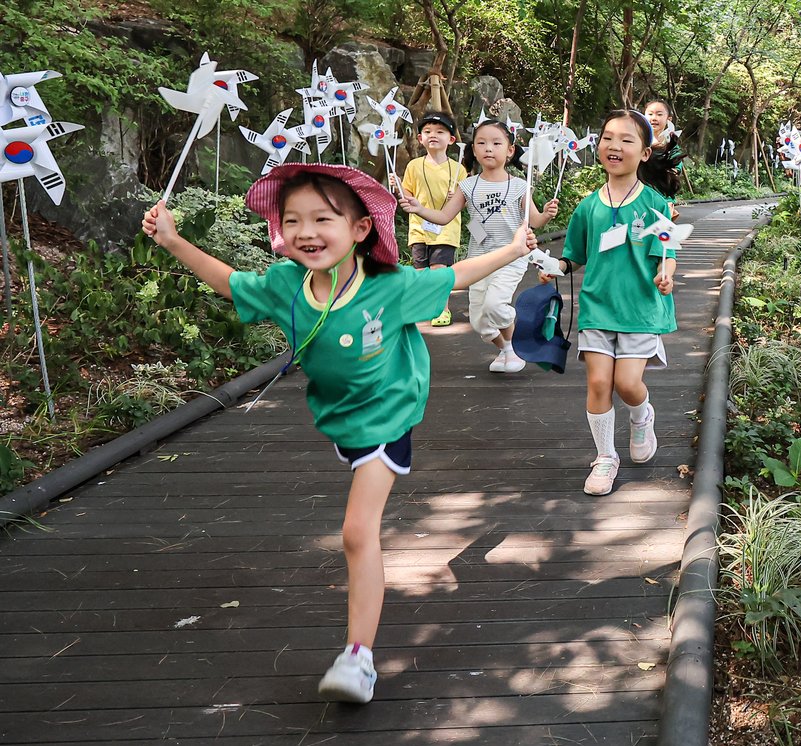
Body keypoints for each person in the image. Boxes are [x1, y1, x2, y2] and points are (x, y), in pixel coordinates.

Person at [141, 163, 536, 704]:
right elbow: (231, 285)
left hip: (390, 413)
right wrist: (172, 239)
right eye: (293, 220)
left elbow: (455, 276)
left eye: (323, 219)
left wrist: (514, 250)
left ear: (359, 229)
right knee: (358, 508)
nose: (306, 231)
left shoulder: (388, 287)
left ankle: (359, 658)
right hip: (340, 416)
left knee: (356, 531)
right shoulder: (286, 285)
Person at [539, 110, 676, 496]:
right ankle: (605, 458)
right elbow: (574, 256)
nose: (615, 146)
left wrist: (668, 276)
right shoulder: (587, 207)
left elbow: (668, 252)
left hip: (641, 309)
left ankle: (641, 415)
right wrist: (554, 266)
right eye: (607, 138)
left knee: (628, 384)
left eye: (627, 140)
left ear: (645, 153)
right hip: (597, 306)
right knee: (599, 381)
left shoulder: (656, 204)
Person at [399, 118, 559, 373]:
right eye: (481, 143)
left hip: (510, 257)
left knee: (495, 306)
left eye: (496, 143)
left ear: (509, 150)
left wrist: (547, 214)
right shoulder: (468, 185)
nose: (488, 148)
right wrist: (419, 209)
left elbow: (535, 221)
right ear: (473, 149)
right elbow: (443, 217)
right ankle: (505, 349)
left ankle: (514, 344)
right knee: (479, 320)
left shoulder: (519, 186)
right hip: (478, 259)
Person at [400, 112, 468, 327]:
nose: (433, 136)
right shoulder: (413, 166)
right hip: (419, 228)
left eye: (440, 132)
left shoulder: (459, 169)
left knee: (439, 270)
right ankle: (425, 308)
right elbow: (406, 193)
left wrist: (455, 198)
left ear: (451, 139)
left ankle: (442, 310)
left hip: (446, 228)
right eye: (427, 132)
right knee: (421, 272)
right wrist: (398, 189)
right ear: (420, 139)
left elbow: (465, 200)